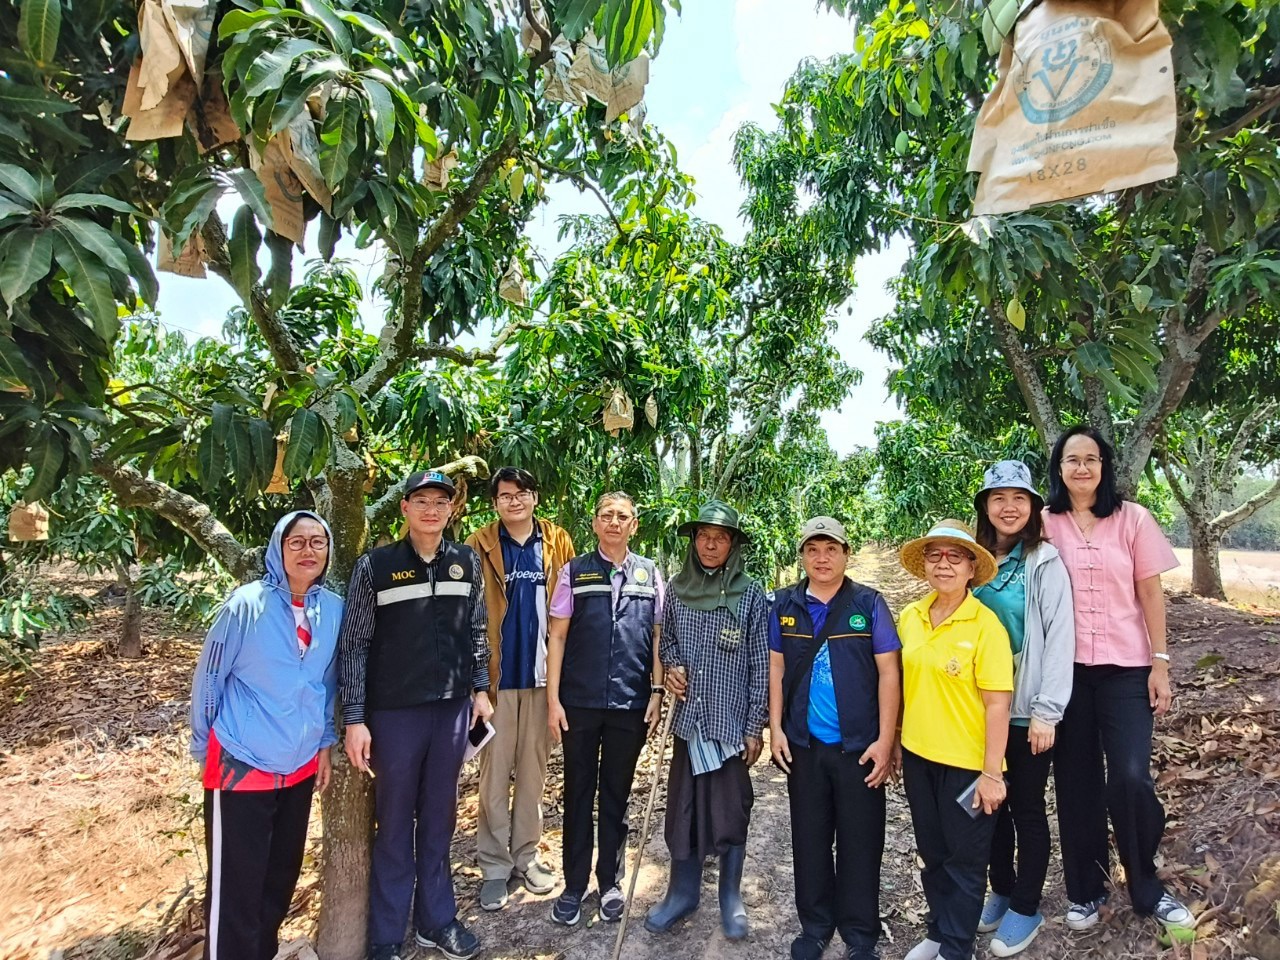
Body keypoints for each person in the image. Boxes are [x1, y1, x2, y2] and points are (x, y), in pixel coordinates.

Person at [1041, 425, 1194, 931]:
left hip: (1127, 670)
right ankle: (1086, 889)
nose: (1082, 467)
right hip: (1066, 674)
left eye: (1091, 458)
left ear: (1104, 466)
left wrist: (1160, 663)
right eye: (1072, 459)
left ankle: (1145, 884)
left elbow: (1150, 593)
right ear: (1059, 469)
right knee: (1076, 782)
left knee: (1130, 777)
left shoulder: (1133, 519)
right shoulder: (1044, 523)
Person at [338, 470, 493, 960]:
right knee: (394, 822)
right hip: (395, 715)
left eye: (440, 502)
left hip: (451, 712)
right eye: (421, 500)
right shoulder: (376, 566)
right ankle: (386, 936)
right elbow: (355, 644)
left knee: (439, 817)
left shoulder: (466, 561)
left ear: (451, 510)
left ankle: (436, 919)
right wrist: (355, 718)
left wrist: (481, 689)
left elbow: (477, 631)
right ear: (404, 508)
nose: (431, 509)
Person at [190, 510, 341, 960]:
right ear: (278, 548)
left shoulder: (332, 610)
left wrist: (324, 742)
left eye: (318, 542)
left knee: (278, 883)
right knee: (236, 893)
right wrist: (203, 747)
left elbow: (328, 683)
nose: (308, 550)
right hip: (241, 762)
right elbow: (210, 677)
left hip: (299, 766)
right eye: (297, 542)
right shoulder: (246, 605)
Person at [768, 516, 901, 960]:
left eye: (831, 549)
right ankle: (815, 926)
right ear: (802, 556)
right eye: (813, 549)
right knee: (810, 838)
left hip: (859, 748)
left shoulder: (869, 603)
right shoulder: (784, 604)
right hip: (805, 746)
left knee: (861, 840)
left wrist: (886, 740)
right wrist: (777, 728)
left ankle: (860, 934)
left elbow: (889, 672)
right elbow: (776, 667)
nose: (821, 558)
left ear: (846, 554)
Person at [644, 501, 769, 941]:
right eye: (703, 536)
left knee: (731, 811)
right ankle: (682, 893)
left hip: (729, 725)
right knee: (684, 811)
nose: (710, 544)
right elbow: (668, 644)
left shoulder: (750, 593)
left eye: (720, 537)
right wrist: (673, 667)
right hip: (690, 723)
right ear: (694, 541)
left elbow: (761, 663)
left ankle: (730, 897)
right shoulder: (677, 589)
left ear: (733, 545)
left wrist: (755, 725)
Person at [969, 461, 1075, 957]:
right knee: (989, 806)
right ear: (985, 507)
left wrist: (1047, 711)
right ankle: (1003, 889)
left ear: (1033, 507)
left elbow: (1059, 637)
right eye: (998, 498)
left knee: (1026, 807)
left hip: (1025, 710)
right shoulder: (973, 561)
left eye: (1019, 498)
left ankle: (1027, 905)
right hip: (978, 712)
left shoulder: (1044, 561)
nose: (1008, 507)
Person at [545, 491, 665, 927]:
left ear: (634, 525)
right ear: (595, 523)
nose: (614, 522)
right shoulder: (574, 571)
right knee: (578, 793)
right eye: (606, 515)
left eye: (622, 516)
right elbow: (557, 636)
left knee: (616, 794)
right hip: (578, 702)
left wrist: (656, 692)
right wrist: (553, 700)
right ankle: (574, 885)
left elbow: (658, 636)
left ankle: (610, 882)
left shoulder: (650, 574)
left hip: (629, 703)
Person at [898, 519, 1013, 960]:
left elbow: (998, 705)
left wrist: (992, 774)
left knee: (965, 862)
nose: (943, 564)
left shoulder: (986, 626)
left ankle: (957, 948)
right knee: (933, 853)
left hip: (968, 765)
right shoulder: (910, 617)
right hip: (919, 756)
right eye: (935, 555)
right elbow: (902, 687)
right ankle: (939, 931)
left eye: (955, 557)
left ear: (970, 568)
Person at [465, 467, 575, 911]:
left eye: (522, 493)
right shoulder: (480, 544)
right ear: (495, 503)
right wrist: (475, 682)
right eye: (505, 495)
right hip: (496, 684)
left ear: (534, 498)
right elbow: (469, 614)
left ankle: (526, 857)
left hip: (542, 681)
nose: (515, 501)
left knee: (533, 775)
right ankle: (494, 867)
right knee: (493, 777)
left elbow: (569, 610)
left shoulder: (557, 541)